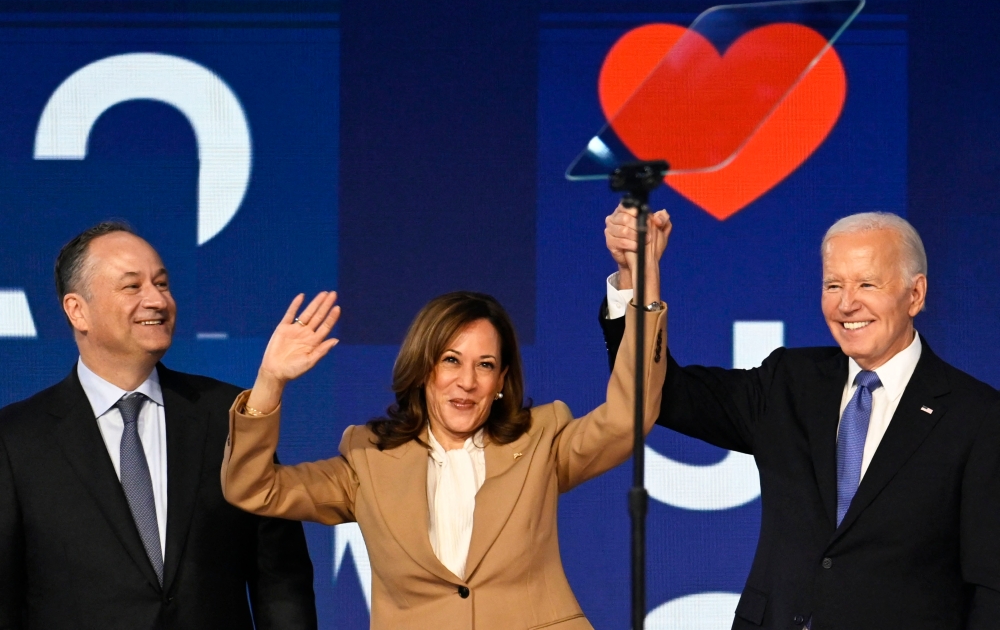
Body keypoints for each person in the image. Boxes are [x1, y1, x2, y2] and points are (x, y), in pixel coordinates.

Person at [219, 224, 668, 630]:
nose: (467, 382)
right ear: (423, 367)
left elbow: (629, 416)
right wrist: (269, 381)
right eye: (451, 360)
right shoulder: (367, 460)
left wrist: (639, 288)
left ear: (501, 382)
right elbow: (252, 487)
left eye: (485, 365)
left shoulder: (540, 440)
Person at [601, 207, 1000, 630]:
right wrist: (636, 280)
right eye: (833, 285)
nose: (847, 303)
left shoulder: (976, 417)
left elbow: (991, 586)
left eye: (867, 283)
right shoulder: (790, 382)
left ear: (915, 295)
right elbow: (660, 393)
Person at [0, 222, 317, 630]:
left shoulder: (230, 415)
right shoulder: (16, 439)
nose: (157, 300)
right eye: (132, 287)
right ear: (77, 310)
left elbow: (281, 581)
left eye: (162, 284)